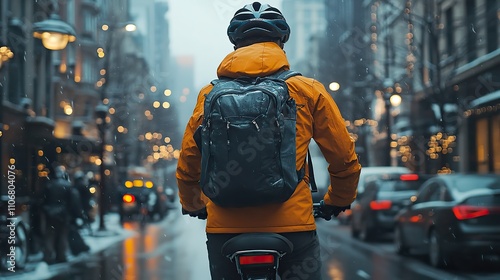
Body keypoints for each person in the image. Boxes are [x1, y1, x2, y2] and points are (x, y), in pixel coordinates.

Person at [176, 2, 361, 279]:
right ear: (281, 41)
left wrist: (194, 204)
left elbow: (189, 162)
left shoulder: (208, 94)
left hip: (226, 229)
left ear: (235, 45)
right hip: (292, 226)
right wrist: (337, 199)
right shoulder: (307, 90)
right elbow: (343, 157)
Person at [41, 165, 73, 264]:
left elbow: (43, 200)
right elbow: (71, 201)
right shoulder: (67, 185)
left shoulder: (49, 185)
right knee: (62, 235)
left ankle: (48, 256)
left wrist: (46, 210)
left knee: (50, 236)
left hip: (51, 213)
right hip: (62, 214)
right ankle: (61, 255)